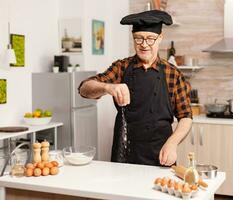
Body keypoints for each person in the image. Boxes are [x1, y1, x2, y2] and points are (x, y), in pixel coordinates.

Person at [78, 10, 192, 166]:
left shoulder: (173, 74)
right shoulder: (122, 67)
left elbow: (185, 117)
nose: (144, 44)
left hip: (161, 153)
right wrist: (107, 87)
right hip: (124, 154)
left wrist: (173, 143)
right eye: (138, 39)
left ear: (160, 39)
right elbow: (84, 88)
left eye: (150, 39)